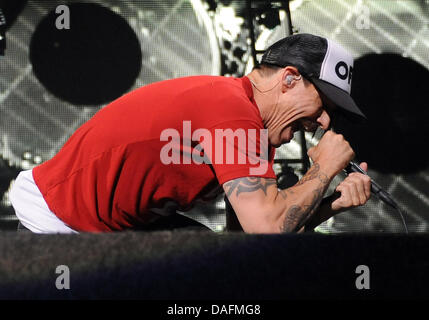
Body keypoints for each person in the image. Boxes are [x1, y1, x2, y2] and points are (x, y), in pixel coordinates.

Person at [10, 33, 371, 233]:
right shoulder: (232, 111)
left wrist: (331, 203)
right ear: (289, 79)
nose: (324, 122)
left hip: (101, 228)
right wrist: (321, 171)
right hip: (57, 220)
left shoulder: (252, 128)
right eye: (323, 104)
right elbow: (266, 229)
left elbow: (245, 241)